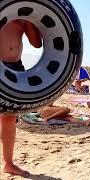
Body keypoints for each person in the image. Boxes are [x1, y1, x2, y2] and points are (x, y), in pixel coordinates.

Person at [0, 20, 42, 177]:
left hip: (16, 67)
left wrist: (27, 19)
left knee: (9, 118)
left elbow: (37, 43)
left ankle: (8, 164)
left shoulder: (22, 11)